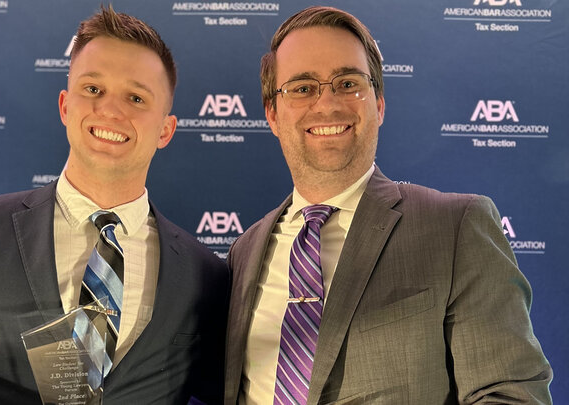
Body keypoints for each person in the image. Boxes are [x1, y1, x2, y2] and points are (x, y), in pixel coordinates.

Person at [0, 6, 229, 404]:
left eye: (136, 97)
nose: (110, 110)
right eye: (93, 89)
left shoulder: (204, 273)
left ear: (166, 130)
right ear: (66, 106)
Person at [224, 6, 552, 405]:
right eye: (302, 87)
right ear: (272, 115)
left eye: (348, 83)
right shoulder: (244, 251)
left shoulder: (456, 227)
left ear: (378, 104)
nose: (327, 104)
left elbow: (509, 395)